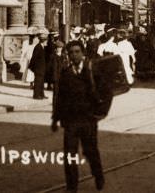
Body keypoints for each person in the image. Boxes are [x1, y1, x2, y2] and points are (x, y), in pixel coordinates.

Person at [51, 40, 106, 192]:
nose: (74, 55)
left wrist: (100, 111)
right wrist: (55, 119)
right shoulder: (66, 73)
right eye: (71, 52)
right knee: (70, 155)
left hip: (88, 120)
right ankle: (71, 187)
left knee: (90, 151)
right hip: (71, 121)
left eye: (77, 52)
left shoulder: (92, 70)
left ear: (83, 53)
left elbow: (105, 91)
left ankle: (98, 174)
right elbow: (60, 98)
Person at [31, 32, 48, 99]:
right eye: (46, 40)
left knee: (41, 82)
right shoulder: (38, 47)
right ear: (43, 41)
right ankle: (36, 95)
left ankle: (41, 94)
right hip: (38, 68)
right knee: (38, 82)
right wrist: (34, 68)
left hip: (41, 68)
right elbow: (34, 58)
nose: (46, 42)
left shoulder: (42, 47)